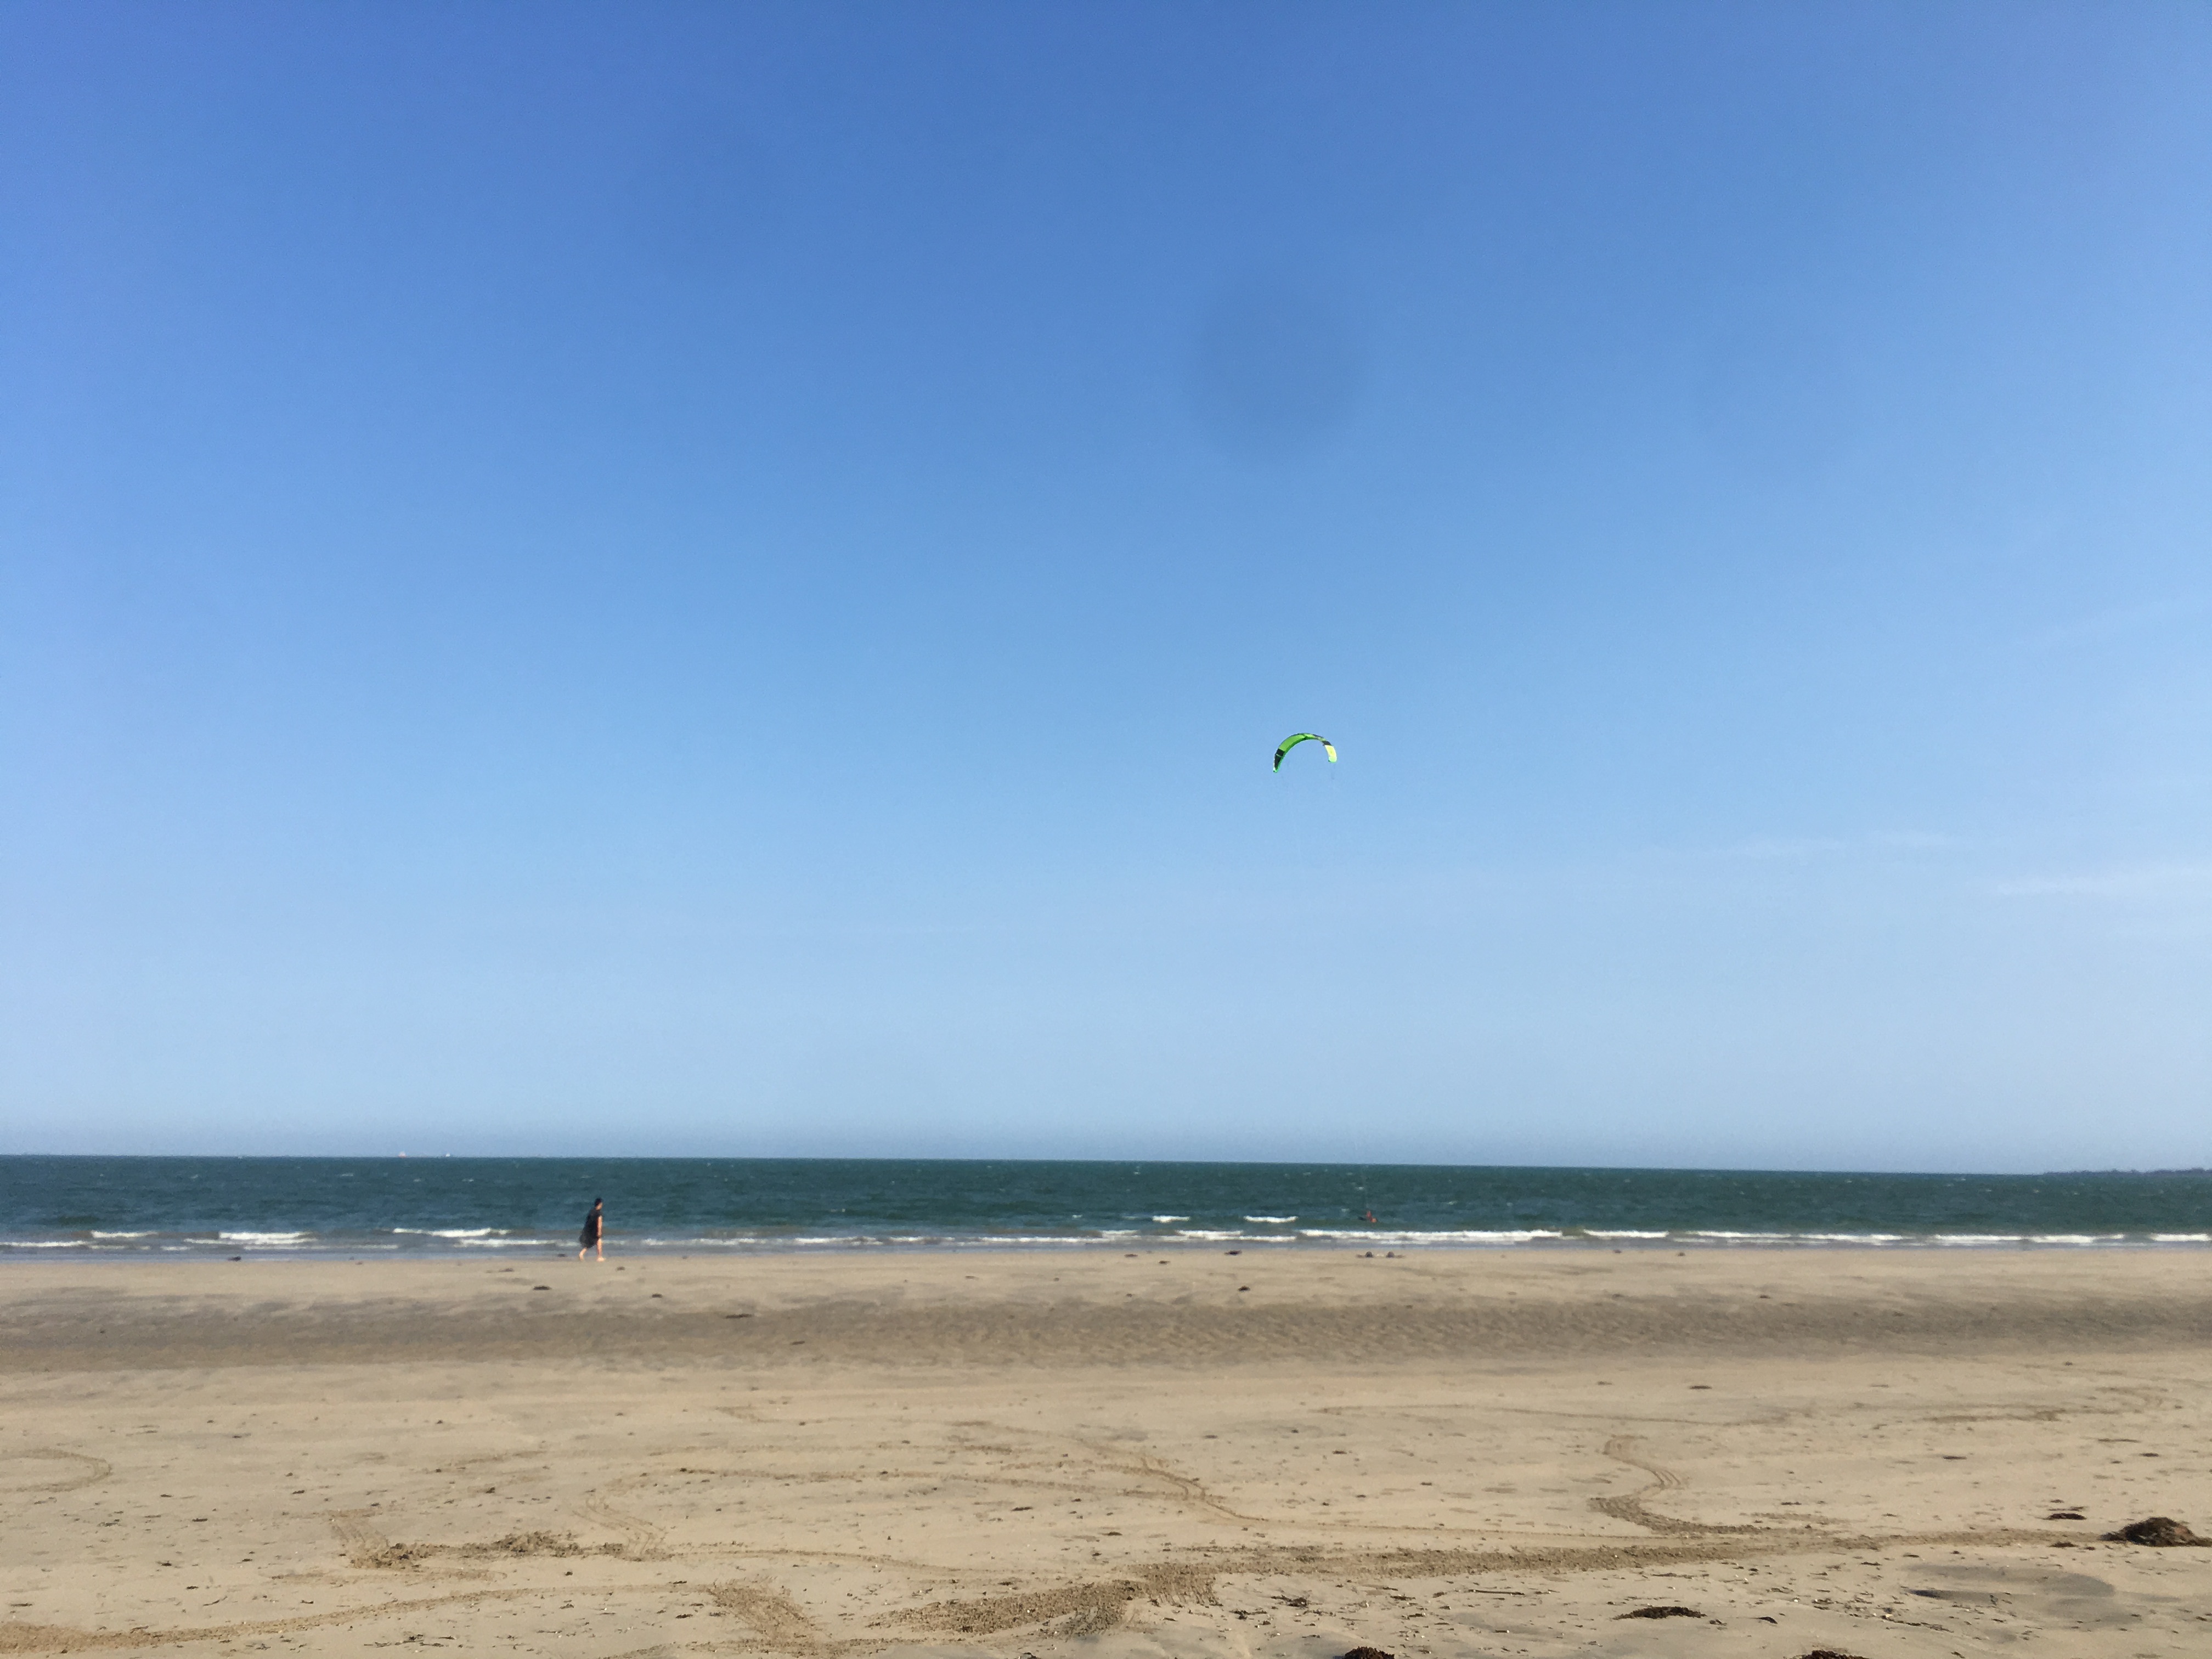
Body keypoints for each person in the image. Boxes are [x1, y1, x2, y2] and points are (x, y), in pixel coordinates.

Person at [578, 1197, 604, 1262]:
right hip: (595, 1230)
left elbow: (588, 1221)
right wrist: (599, 1232)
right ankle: (599, 1257)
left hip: (590, 1230)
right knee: (599, 1242)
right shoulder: (599, 1213)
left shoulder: (592, 1212)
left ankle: (581, 1253)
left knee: (590, 1243)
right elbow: (599, 1223)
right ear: (600, 1204)